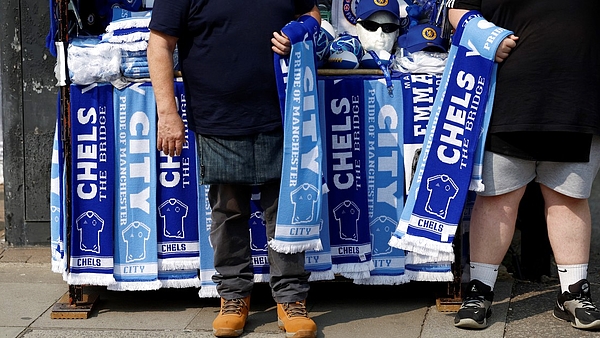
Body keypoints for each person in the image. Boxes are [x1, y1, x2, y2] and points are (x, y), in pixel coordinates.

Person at [147, 1, 321, 338]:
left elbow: (311, 12)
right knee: (228, 209)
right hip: (217, 114)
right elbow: (160, 44)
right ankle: (233, 296)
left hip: (284, 110)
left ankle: (291, 299)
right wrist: (167, 114)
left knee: (283, 209)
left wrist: (300, 32)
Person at [447, 0, 600, 331]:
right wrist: (489, 38)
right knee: (498, 198)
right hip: (508, 98)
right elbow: (459, 11)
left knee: (569, 198)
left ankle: (573, 294)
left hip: (578, 97)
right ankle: (480, 292)